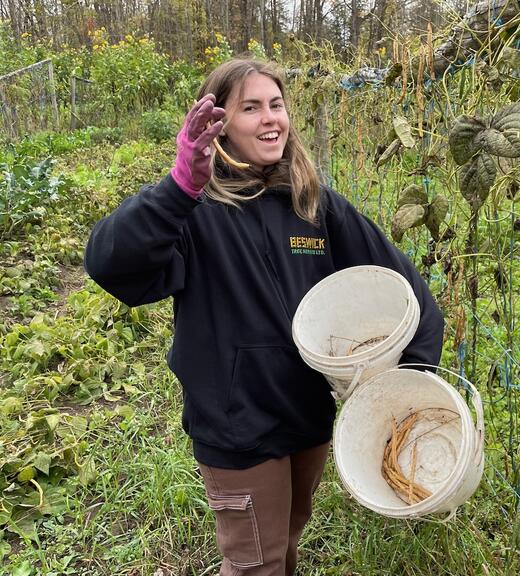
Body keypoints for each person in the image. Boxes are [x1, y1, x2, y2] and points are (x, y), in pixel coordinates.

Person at [84, 58, 444, 576]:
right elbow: (108, 262)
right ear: (219, 122)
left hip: (306, 417)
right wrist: (178, 188)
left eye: (276, 105)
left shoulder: (313, 205)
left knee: (286, 538)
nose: (270, 118)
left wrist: (414, 380)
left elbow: (403, 286)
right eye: (250, 107)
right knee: (255, 562)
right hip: (237, 425)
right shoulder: (196, 211)